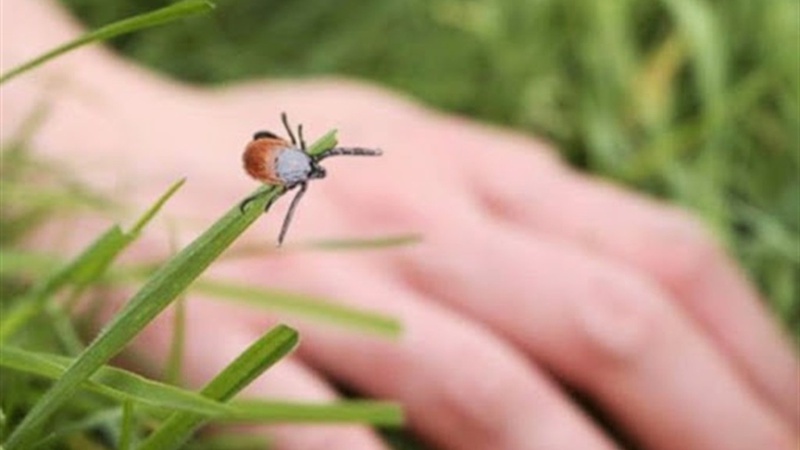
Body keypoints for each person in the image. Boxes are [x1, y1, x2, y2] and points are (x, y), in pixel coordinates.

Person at [2, 2, 797, 449]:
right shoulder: (288, 171)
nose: (313, 173)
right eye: (312, 167)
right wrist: (58, 113)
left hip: (259, 161)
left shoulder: (292, 166)